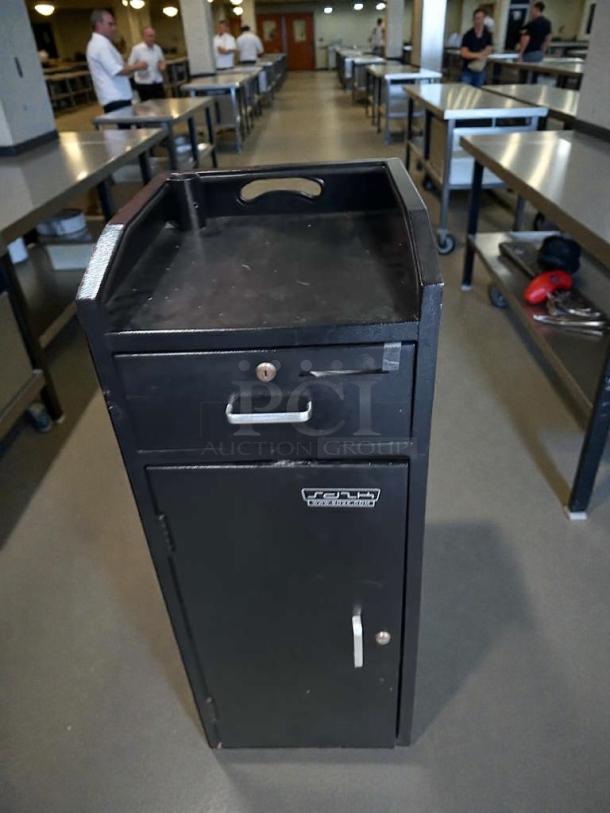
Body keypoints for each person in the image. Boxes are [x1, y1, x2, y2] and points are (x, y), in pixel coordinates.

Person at [86, 10, 146, 113]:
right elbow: (117, 70)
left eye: (114, 24)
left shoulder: (104, 43)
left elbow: (120, 65)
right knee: (124, 129)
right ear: (99, 25)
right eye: (110, 24)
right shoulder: (100, 45)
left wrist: (129, 67)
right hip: (115, 98)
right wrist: (138, 66)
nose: (114, 28)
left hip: (120, 96)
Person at [128, 27, 166, 101]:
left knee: (162, 107)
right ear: (144, 36)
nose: (152, 38)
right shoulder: (136, 49)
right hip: (144, 84)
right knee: (148, 109)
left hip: (157, 82)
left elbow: (162, 61)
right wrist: (138, 66)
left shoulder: (157, 48)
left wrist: (162, 66)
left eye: (153, 36)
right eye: (150, 36)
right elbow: (129, 66)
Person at [460, 7, 493, 87]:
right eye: (477, 18)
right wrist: (479, 55)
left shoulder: (487, 35)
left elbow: (489, 49)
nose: (479, 21)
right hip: (468, 70)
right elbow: (464, 53)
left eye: (481, 18)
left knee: (478, 92)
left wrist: (473, 54)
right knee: (465, 91)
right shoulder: (468, 35)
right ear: (473, 20)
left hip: (481, 70)